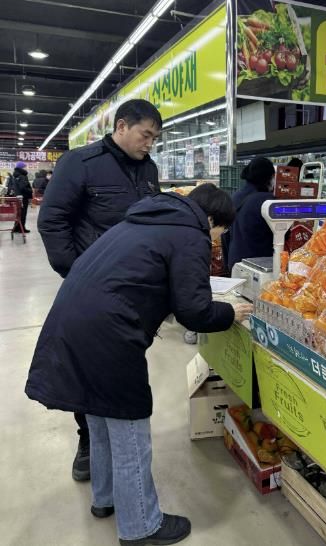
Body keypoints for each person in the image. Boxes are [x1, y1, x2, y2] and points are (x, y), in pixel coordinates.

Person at [25, 184, 253, 546]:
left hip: (72, 321)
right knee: (129, 425)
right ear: (211, 220)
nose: (215, 241)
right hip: (109, 333)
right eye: (219, 232)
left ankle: (105, 498)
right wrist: (229, 312)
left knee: (99, 416)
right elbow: (194, 311)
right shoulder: (190, 234)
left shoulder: (141, 220)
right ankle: (140, 527)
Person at [38, 98, 162, 483]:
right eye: (145, 135)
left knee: (121, 366)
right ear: (121, 126)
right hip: (91, 288)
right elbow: (52, 220)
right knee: (89, 364)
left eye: (155, 138)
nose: (150, 144)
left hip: (135, 289)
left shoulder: (149, 169)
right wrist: (77, 273)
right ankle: (88, 439)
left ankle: (113, 437)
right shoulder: (80, 163)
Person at [227, 156, 275, 272]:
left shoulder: (234, 197)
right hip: (258, 265)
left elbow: (225, 234)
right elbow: (282, 233)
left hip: (235, 262)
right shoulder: (267, 200)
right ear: (268, 177)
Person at [12, 161, 33, 233]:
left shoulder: (15, 175)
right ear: (21, 167)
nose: (26, 168)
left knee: (19, 213)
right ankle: (22, 229)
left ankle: (16, 228)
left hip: (18, 196)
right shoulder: (22, 176)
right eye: (24, 167)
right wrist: (30, 190)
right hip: (23, 197)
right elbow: (23, 187)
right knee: (23, 213)